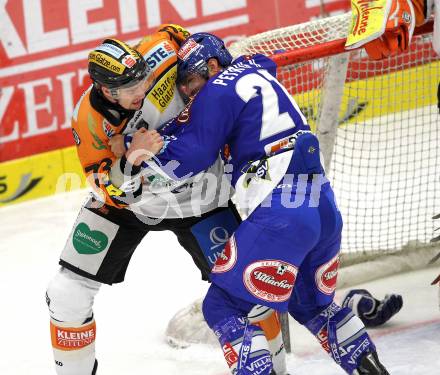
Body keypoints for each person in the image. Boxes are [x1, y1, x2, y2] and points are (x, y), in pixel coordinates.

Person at [138, 32, 391, 374]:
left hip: (283, 211)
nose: (187, 91)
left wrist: (148, 152)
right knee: (313, 306)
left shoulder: (217, 88)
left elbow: (192, 156)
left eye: (191, 80)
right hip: (323, 206)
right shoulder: (257, 72)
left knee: (221, 305)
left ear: (212, 66)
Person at [45, 25, 288, 375]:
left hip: (200, 196)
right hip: (129, 206)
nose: (141, 90)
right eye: (129, 88)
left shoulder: (161, 46)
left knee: (250, 288)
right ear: (105, 90)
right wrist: (130, 159)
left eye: (142, 79)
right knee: (66, 294)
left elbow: (202, 49)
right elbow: (105, 189)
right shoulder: (89, 120)